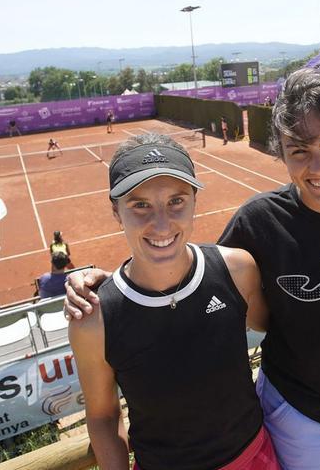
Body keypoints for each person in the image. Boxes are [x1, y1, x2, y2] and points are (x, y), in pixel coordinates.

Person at [67, 69, 320, 470]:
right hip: (302, 411)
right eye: (299, 150)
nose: (318, 166)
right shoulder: (257, 222)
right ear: (282, 152)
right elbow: (182, 264)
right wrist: (110, 288)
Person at [68, 133, 278, 470]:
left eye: (176, 201)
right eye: (140, 205)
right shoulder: (93, 319)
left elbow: (277, 329)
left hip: (256, 458)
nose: (162, 224)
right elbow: (103, 416)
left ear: (195, 201)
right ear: (116, 211)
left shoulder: (238, 270)